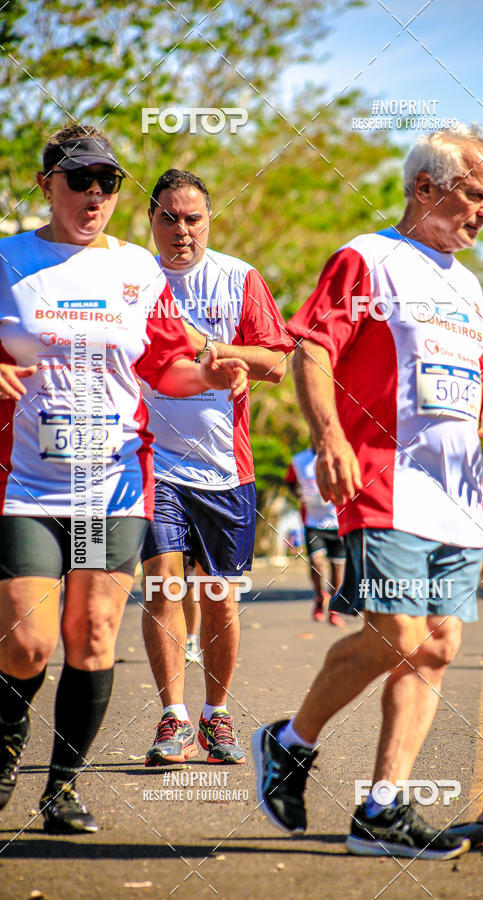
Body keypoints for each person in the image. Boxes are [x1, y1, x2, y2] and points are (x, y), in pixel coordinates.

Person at [253, 123, 483, 858]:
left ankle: (383, 808)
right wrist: (328, 437)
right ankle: (291, 743)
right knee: (394, 634)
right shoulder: (367, 260)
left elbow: (470, 385)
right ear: (426, 188)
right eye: (476, 195)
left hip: (456, 495)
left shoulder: (470, 285)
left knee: (437, 647)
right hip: (381, 479)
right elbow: (312, 348)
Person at [0, 125, 247, 835]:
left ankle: (62, 789)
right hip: (24, 481)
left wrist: (209, 372)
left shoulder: (137, 270)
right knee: (27, 643)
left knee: (96, 634)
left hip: (112, 481)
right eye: (79, 180)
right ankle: (5, 748)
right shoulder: (10, 259)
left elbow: (166, 363)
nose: (95, 195)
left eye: (108, 182)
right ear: (47, 183)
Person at [141, 170, 293, 767]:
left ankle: (216, 715)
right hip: (150, 459)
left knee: (220, 598)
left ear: (210, 219)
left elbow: (277, 363)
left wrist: (206, 348)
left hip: (226, 466)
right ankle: (173, 717)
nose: (182, 230)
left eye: (193, 218)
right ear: (150, 220)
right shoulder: (131, 279)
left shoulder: (238, 278)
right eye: (169, 218)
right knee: (162, 586)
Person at [285, 447, 345, 625]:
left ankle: (334, 607)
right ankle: (319, 597)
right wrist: (298, 494)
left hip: (338, 521)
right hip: (313, 522)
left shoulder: (340, 455)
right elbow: (289, 482)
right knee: (317, 563)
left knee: (337, 568)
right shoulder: (299, 460)